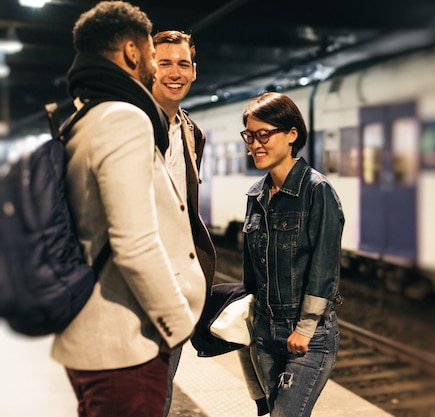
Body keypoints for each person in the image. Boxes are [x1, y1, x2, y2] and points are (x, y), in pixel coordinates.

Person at [51, 2, 213, 417]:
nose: (167, 70)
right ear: (132, 51)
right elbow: (134, 243)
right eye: (152, 51)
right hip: (126, 340)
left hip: (98, 335)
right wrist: (177, 323)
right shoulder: (125, 117)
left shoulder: (85, 115)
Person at [151, 30, 266, 416]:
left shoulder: (190, 132)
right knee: (131, 395)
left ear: (194, 72)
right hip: (132, 289)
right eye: (164, 62)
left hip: (177, 291)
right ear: (147, 66)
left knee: (159, 393)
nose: (174, 72)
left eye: (182, 64)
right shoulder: (128, 122)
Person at [241, 92, 344, 417]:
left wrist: (306, 326)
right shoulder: (256, 194)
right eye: (249, 135)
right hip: (264, 332)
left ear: (292, 134)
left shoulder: (316, 190)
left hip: (307, 337)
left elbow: (324, 266)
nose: (254, 144)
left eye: (263, 135)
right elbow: (252, 269)